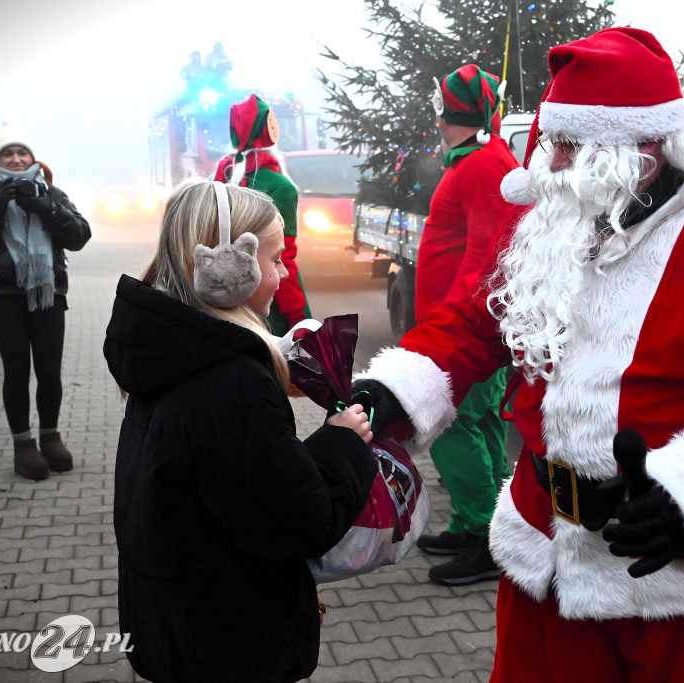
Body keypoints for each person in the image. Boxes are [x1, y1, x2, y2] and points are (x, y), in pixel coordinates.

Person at [352, 27, 684, 681]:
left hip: (667, 573)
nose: (546, 162)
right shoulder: (555, 223)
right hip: (544, 553)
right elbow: (481, 322)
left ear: (640, 147)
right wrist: (401, 383)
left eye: (566, 144)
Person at [104, 180, 377, 682]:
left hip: (176, 619)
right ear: (228, 269)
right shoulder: (230, 383)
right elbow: (298, 521)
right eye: (276, 259)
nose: (284, 273)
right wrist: (341, 442)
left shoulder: (170, 347)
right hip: (231, 639)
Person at [412, 65, 517, 585]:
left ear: (446, 109)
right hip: (462, 325)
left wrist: (449, 328)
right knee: (483, 422)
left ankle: (483, 534)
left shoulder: (480, 165)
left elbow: (485, 257)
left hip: (461, 330)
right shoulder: (477, 160)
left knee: (450, 427)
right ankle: (483, 523)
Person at [0, 121, 91, 481]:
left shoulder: (51, 192)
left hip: (49, 294)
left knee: (49, 372)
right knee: (17, 372)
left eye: (22, 153)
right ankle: (23, 444)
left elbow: (80, 235)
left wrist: (45, 208)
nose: (16, 159)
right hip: (3, 295)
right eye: (8, 153)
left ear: (33, 158)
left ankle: (50, 437)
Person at [214, 94, 312, 336]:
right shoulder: (280, 186)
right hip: (268, 311)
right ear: (269, 130)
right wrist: (299, 318)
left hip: (219, 302)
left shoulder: (219, 179)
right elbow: (283, 259)